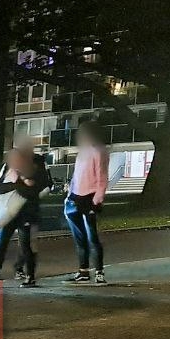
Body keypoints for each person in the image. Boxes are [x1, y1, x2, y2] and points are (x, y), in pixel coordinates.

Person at [0, 147, 48, 287]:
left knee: (26, 246)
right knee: (0, 245)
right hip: (8, 214)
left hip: (26, 213)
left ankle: (30, 276)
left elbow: (33, 190)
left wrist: (20, 184)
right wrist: (20, 184)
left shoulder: (33, 169)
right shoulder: (7, 170)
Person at [64, 120, 109, 284]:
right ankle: (83, 271)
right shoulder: (82, 152)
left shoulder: (98, 151)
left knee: (93, 237)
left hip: (89, 198)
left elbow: (102, 177)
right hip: (75, 198)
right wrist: (69, 195)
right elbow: (77, 176)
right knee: (79, 237)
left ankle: (99, 271)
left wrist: (97, 200)